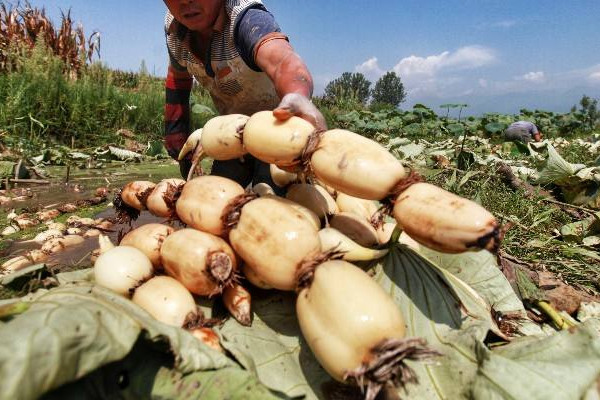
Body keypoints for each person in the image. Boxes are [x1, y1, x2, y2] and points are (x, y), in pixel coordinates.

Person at [162, 0, 326, 188]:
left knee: (272, 197)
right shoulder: (174, 28)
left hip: (278, 129)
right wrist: (176, 133)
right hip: (232, 131)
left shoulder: (245, 19)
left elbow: (282, 61)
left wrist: (297, 96)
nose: (185, 1)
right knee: (219, 198)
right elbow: (178, 76)